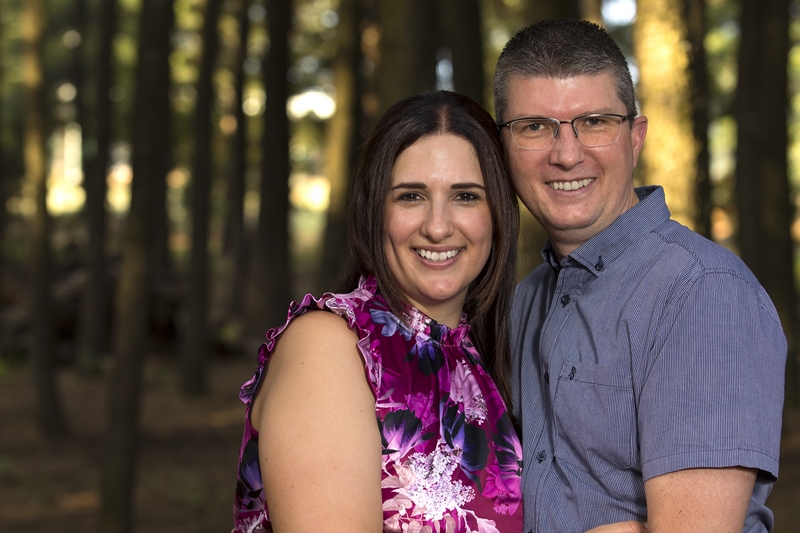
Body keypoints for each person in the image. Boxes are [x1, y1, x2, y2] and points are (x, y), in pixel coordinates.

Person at [493, 18, 786, 533]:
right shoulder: (522, 303)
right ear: (503, 149)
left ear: (636, 137)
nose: (566, 154)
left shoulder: (701, 293)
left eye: (595, 121)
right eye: (535, 127)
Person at [231, 90, 525, 533]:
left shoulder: (483, 361)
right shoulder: (330, 348)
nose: (438, 226)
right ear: (374, 211)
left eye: (465, 196)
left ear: (498, 213)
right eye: (410, 196)